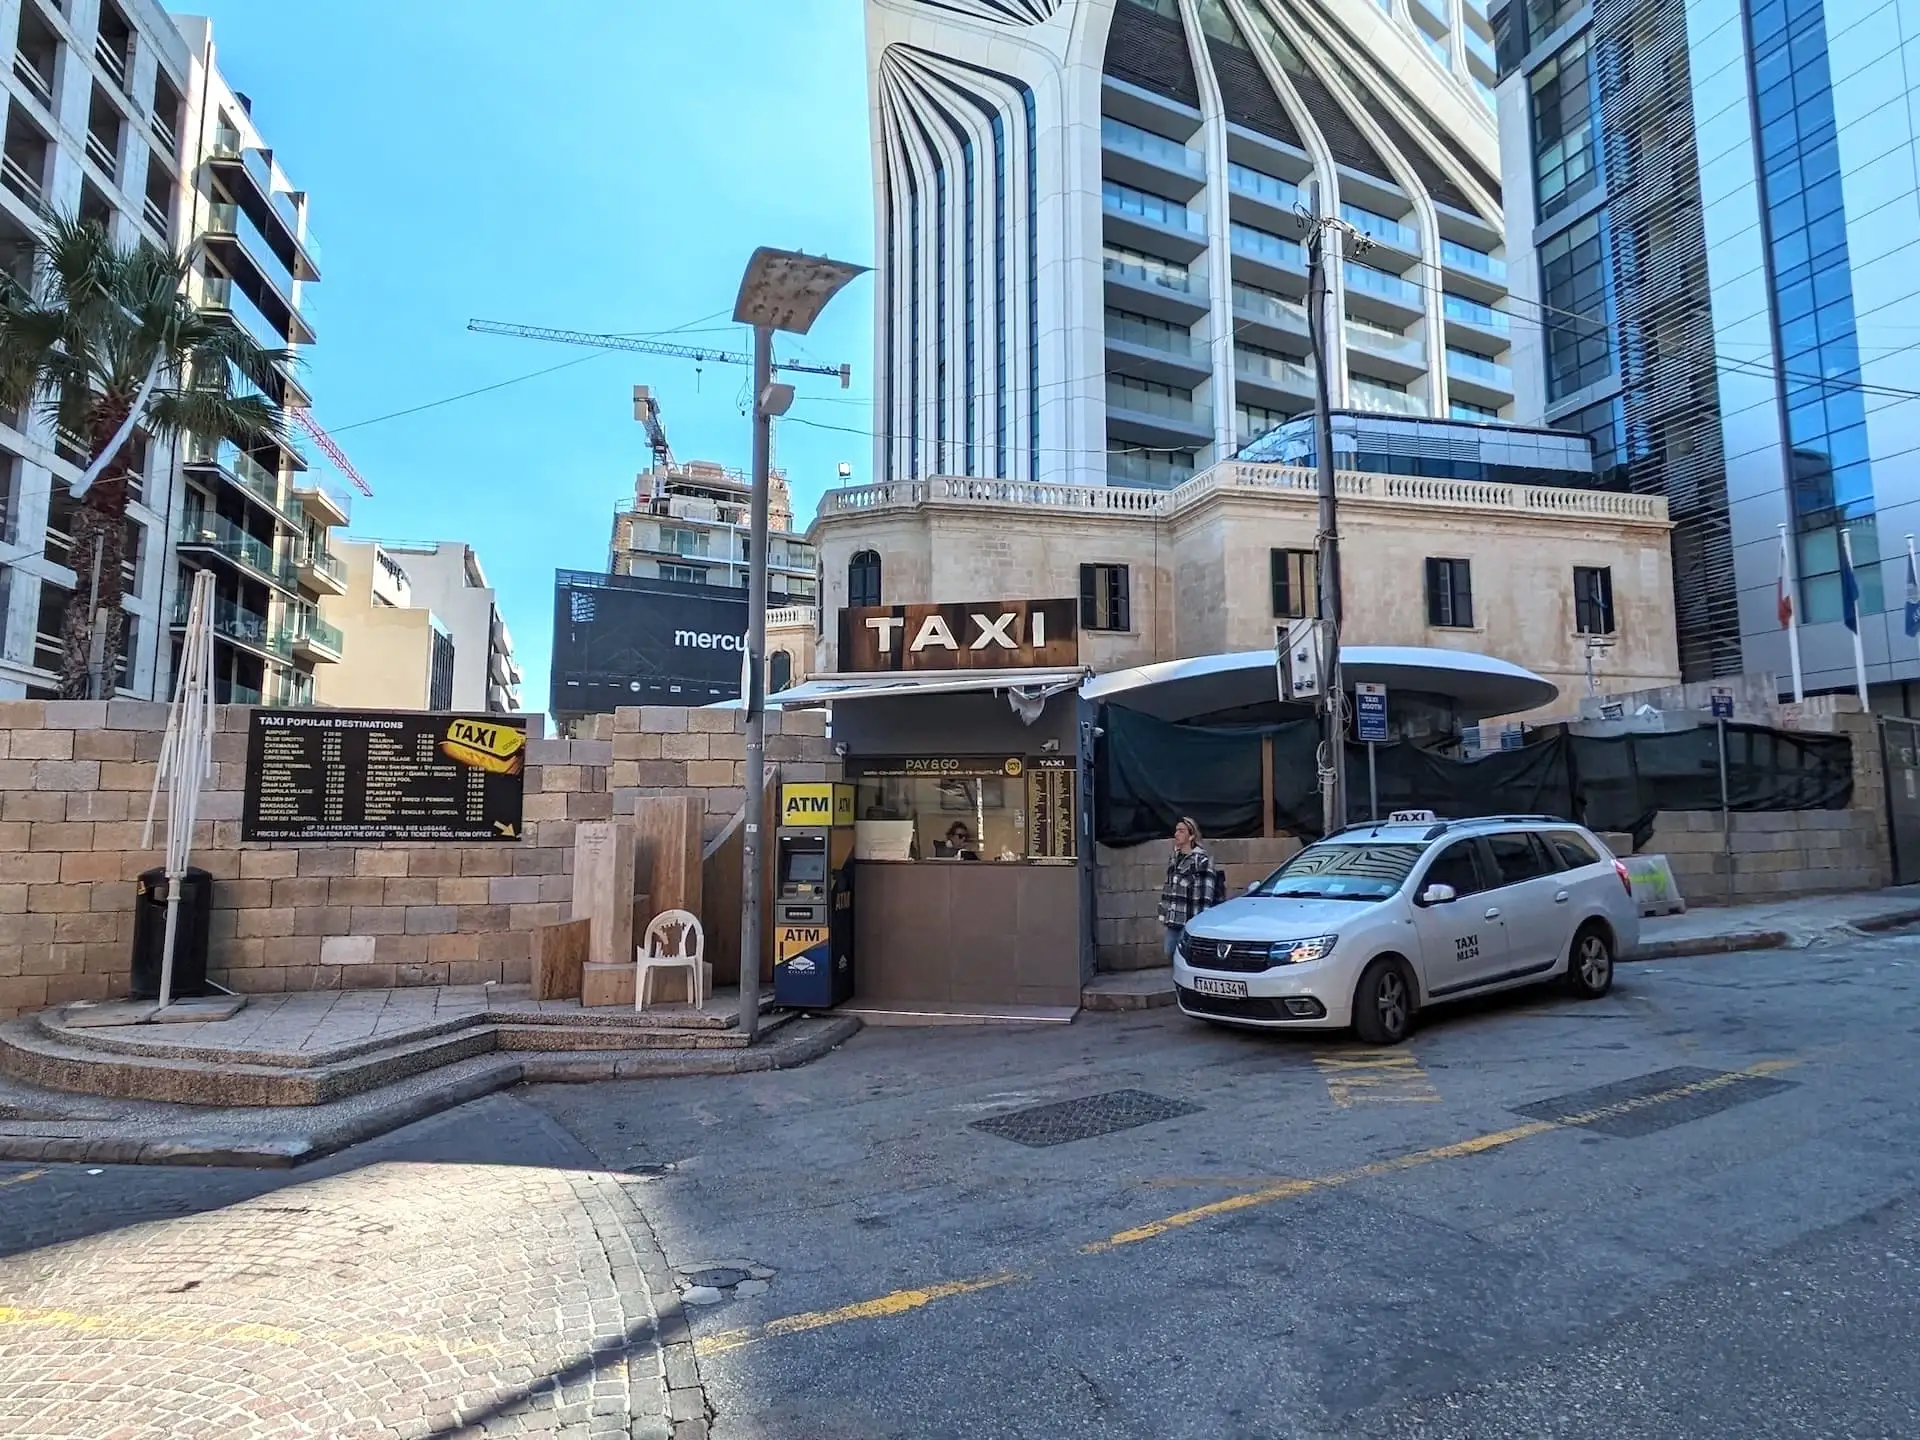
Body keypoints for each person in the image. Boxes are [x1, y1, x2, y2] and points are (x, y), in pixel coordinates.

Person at [1158, 816, 1225, 963]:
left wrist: (1199, 922)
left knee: (1187, 958)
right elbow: (1168, 887)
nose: (1177, 834)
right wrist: (1163, 912)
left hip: (1190, 919)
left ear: (1192, 835)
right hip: (1174, 918)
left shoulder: (1201, 860)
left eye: (1181, 831)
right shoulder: (1174, 859)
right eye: (1176, 831)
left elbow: (1206, 894)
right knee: (1169, 951)